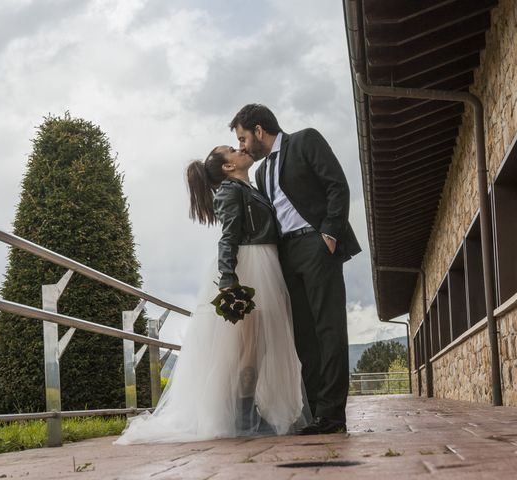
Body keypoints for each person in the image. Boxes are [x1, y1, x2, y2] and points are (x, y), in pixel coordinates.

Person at [115, 145, 309, 445]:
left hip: (262, 263)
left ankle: (247, 409)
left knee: (257, 346)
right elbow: (228, 237)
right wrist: (229, 279)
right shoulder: (230, 191)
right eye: (232, 149)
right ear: (228, 167)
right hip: (251, 267)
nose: (240, 149)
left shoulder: (246, 187)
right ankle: (244, 415)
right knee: (251, 347)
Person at [229, 104, 361, 435]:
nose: (243, 146)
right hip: (287, 256)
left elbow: (337, 186)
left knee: (328, 328)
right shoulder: (260, 174)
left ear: (259, 131)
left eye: (243, 138)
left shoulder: (305, 141)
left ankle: (333, 414)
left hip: (318, 245)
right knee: (304, 335)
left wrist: (329, 234)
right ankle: (317, 411)